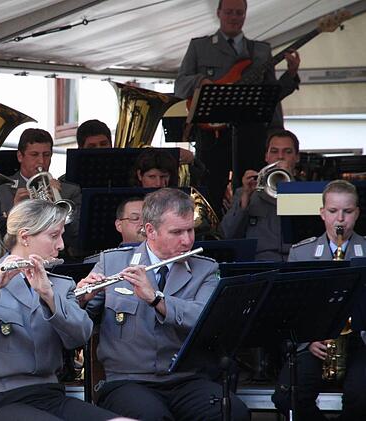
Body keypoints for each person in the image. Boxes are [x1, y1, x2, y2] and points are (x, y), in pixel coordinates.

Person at [78, 188, 250, 421]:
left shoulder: (205, 269)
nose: (187, 240)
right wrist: (82, 298)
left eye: (190, 230)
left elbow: (204, 317)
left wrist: (156, 299)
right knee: (152, 416)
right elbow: (82, 323)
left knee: (234, 413)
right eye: (177, 232)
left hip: (186, 379)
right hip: (129, 379)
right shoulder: (112, 262)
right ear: (150, 230)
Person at [0, 199, 118, 421]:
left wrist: (49, 296)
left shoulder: (61, 284)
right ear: (25, 237)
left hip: (50, 395)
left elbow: (79, 336)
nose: (61, 245)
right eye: (54, 236)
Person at [174, 0, 301, 215]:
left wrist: (290, 74)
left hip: (252, 134)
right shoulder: (199, 46)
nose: (234, 17)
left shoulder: (261, 50)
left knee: (252, 187)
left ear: (245, 15)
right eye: (230, 12)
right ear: (219, 13)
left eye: (239, 13)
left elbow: (272, 95)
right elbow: (179, 85)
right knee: (210, 189)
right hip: (212, 135)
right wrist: (200, 81)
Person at [272, 180, 366, 420]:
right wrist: (308, 339)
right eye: (333, 211)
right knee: (286, 397)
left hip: (359, 343)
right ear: (322, 213)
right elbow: (291, 309)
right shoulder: (301, 253)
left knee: (361, 396)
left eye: (348, 211)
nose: (340, 219)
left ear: (358, 213)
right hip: (315, 343)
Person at [0, 128, 81, 252]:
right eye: (34, 155)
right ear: (20, 156)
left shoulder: (69, 191)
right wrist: (14, 211)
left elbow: (76, 237)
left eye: (46, 155)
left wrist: (56, 207)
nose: (41, 161)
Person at [220, 129, 300, 261]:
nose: (280, 157)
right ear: (266, 157)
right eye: (274, 152)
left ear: (297, 157)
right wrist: (245, 197)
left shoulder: (306, 193)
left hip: (296, 263)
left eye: (287, 152)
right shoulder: (245, 192)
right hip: (260, 264)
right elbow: (227, 235)